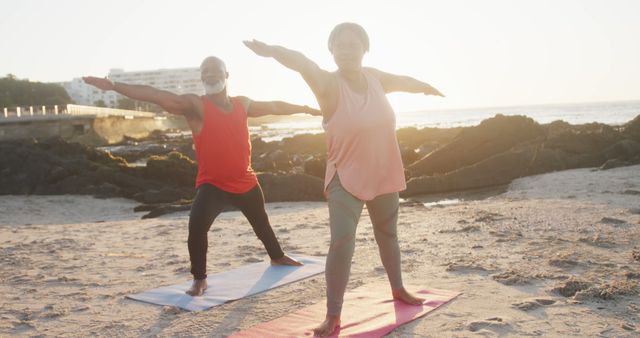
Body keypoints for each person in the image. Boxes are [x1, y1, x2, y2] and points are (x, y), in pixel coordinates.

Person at [244, 22, 444, 336]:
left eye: (353, 45)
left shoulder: (375, 78)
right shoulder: (326, 83)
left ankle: (399, 288)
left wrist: (423, 86)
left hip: (383, 171)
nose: (346, 50)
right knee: (341, 243)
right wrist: (270, 51)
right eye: (340, 45)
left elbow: (402, 80)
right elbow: (300, 61)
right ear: (332, 51)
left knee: (388, 235)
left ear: (365, 49)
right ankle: (332, 315)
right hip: (344, 176)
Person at [83, 56, 320, 297]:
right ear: (201, 77)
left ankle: (277, 257)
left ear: (227, 74)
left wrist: (305, 109)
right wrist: (114, 85)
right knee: (196, 228)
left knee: (261, 222)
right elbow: (155, 94)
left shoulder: (243, 104)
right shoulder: (196, 105)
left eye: (216, 70)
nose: (210, 74)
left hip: (246, 181)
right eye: (205, 71)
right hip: (213, 185)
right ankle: (199, 279)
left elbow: (275, 106)